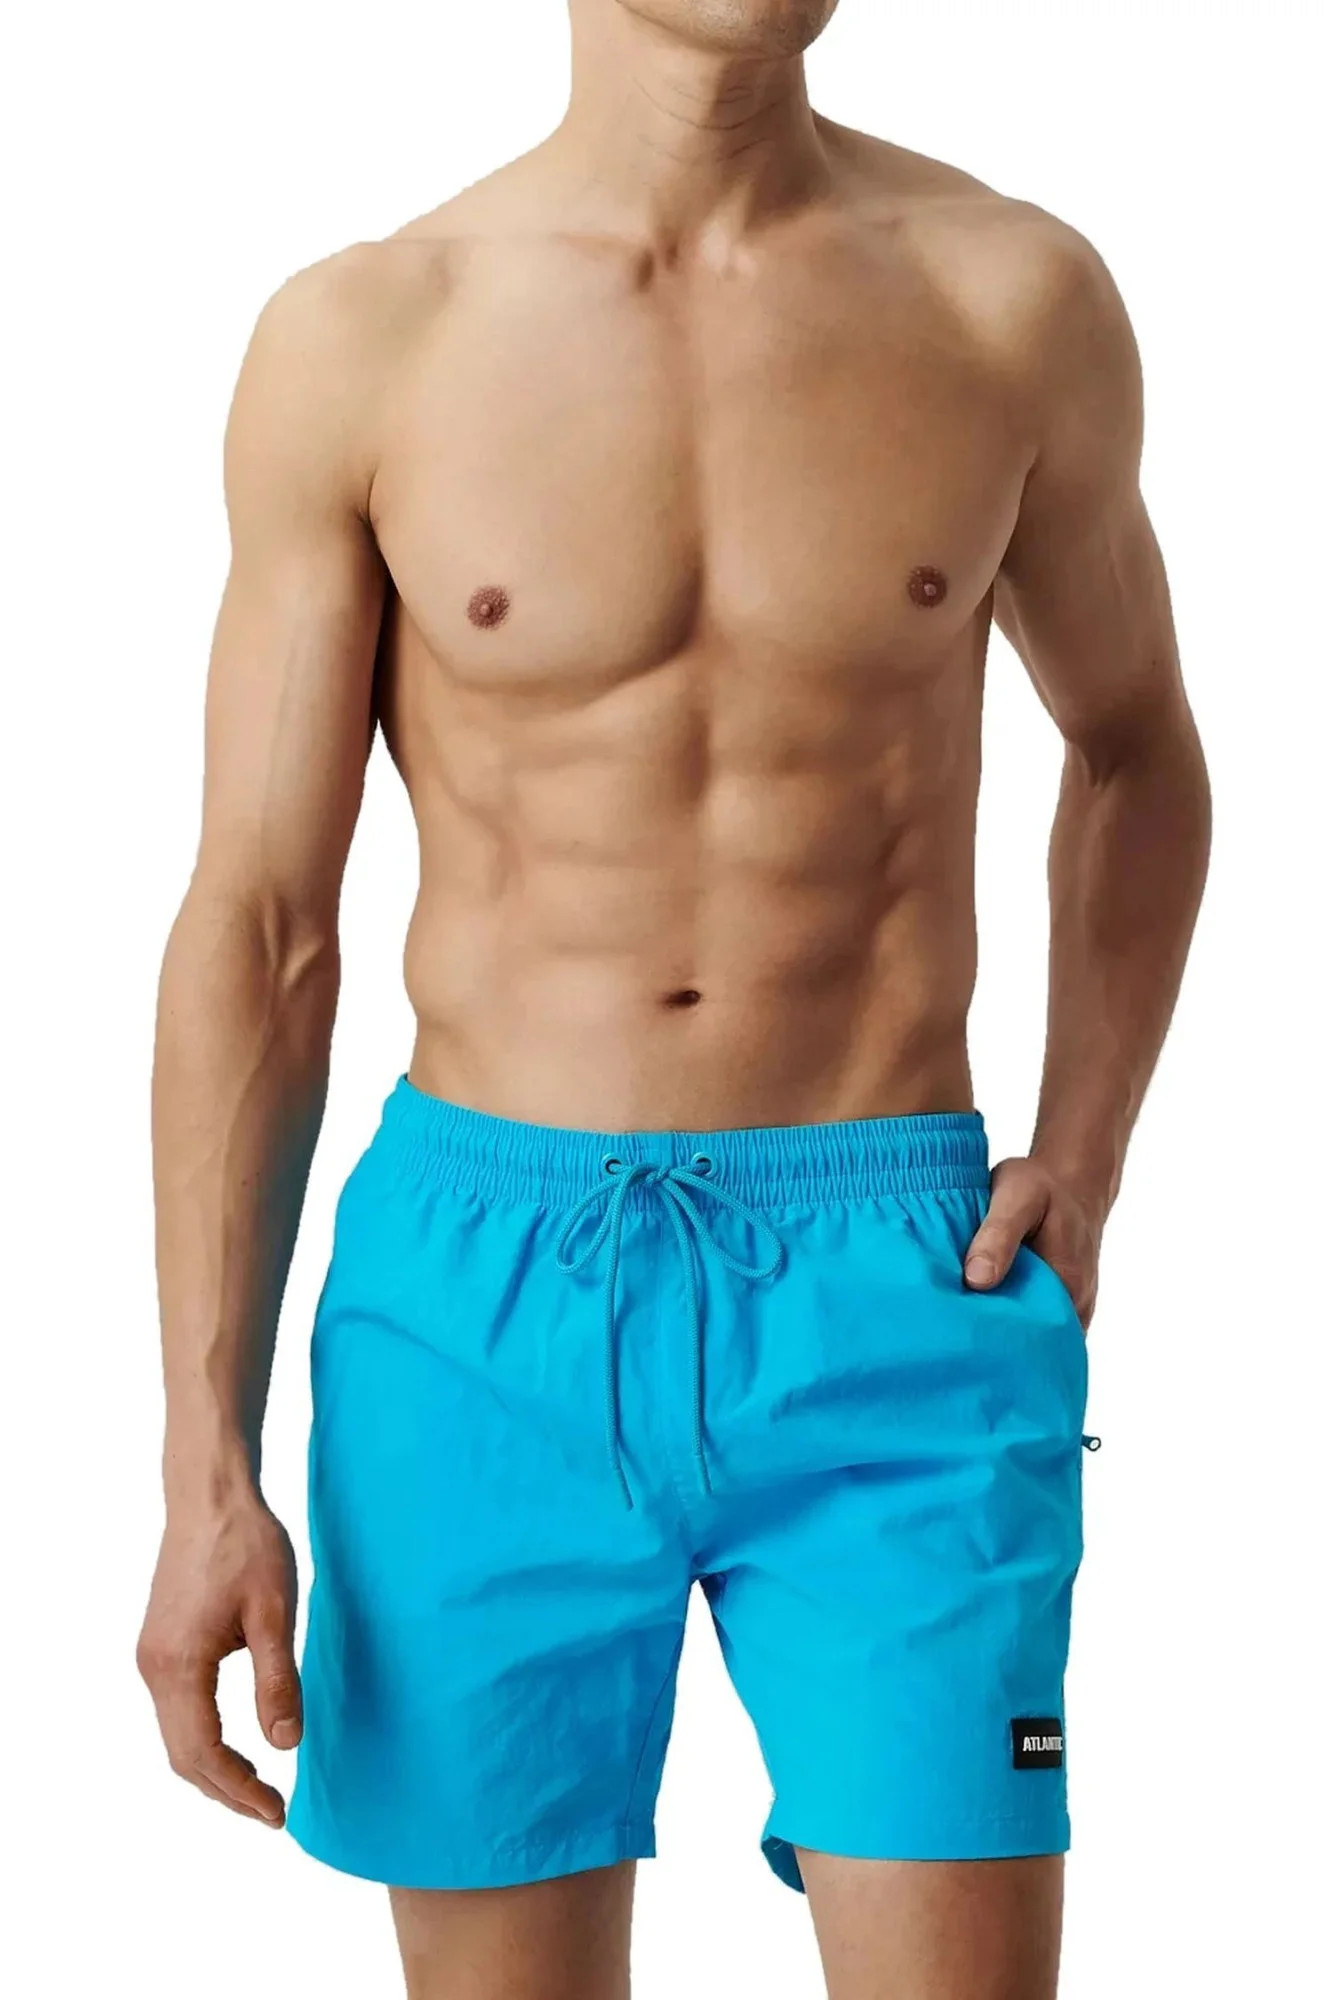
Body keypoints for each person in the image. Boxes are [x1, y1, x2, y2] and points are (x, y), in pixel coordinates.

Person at [136, 3, 1210, 1994]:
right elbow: (263, 922)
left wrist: (1087, 1152)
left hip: (898, 1275)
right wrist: (206, 1462)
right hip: (479, 1301)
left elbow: (1137, 747)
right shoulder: (368, 339)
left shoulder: (1007, 303)